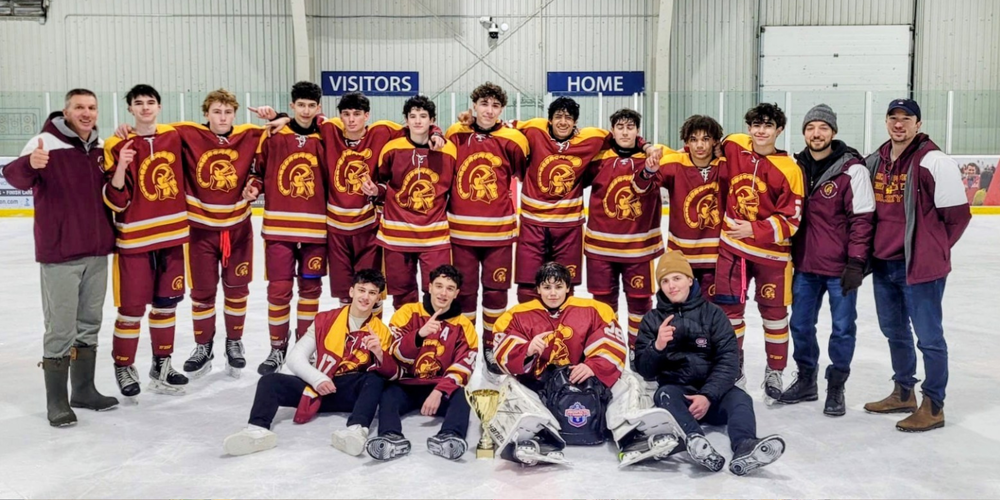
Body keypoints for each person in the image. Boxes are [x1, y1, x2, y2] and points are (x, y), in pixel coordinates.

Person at [116, 90, 283, 379]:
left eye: (228, 112)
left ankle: (234, 342)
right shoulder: (186, 132)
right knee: (202, 293)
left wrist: (279, 116)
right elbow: (150, 130)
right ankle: (203, 346)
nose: (222, 117)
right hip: (200, 231)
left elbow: (282, 132)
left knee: (237, 289)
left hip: (238, 228)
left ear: (234, 114)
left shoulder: (250, 134)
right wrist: (126, 129)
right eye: (217, 112)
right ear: (206, 114)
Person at [2, 89, 119, 427]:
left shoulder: (100, 148)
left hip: (97, 252)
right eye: (79, 107)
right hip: (61, 253)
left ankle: (84, 390)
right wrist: (29, 163)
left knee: (89, 324)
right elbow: (14, 177)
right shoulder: (44, 143)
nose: (87, 113)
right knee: (60, 328)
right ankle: (57, 402)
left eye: (92, 107)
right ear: (65, 112)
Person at [490, 262, 679, 467]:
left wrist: (593, 366)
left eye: (558, 286)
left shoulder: (594, 309)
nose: (553, 293)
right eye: (547, 287)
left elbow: (611, 342)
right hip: (541, 384)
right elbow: (502, 352)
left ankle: (630, 434)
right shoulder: (516, 315)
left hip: (585, 382)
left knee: (627, 379)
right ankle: (538, 435)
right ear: (537, 289)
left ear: (568, 288)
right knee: (508, 383)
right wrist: (526, 349)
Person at [863, 98, 971, 432]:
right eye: (892, 118)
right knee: (894, 331)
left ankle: (934, 405)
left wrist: (931, 250)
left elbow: (957, 217)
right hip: (883, 264)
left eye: (906, 118)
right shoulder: (876, 161)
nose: (899, 124)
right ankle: (903, 392)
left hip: (918, 268)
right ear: (886, 122)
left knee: (929, 337)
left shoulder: (933, 162)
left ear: (918, 124)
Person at [635, 251, 786, 475]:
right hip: (679, 394)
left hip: (713, 393)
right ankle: (697, 443)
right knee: (664, 395)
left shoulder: (714, 315)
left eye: (677, 278)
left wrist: (708, 395)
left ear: (690, 280)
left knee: (740, 397)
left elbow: (728, 361)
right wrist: (656, 347)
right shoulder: (652, 320)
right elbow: (643, 369)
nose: (671, 286)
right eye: (665, 281)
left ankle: (745, 445)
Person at [222, 269, 397, 456]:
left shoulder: (381, 331)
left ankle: (356, 430)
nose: (365, 297)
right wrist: (318, 379)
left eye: (372, 293)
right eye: (361, 290)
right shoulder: (325, 319)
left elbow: (392, 373)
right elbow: (295, 357)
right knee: (269, 381)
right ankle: (256, 430)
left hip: (351, 393)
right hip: (319, 387)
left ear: (378, 298)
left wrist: (379, 352)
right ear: (351, 291)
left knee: (375, 378)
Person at [512, 98, 661, 303]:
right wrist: (468, 121)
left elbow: (624, 137)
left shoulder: (592, 137)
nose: (563, 122)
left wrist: (647, 147)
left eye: (568, 118)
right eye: (558, 117)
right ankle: (530, 330)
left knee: (566, 284)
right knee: (527, 286)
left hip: (569, 227)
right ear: (549, 120)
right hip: (532, 224)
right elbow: (504, 129)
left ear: (575, 122)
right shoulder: (535, 128)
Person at [777, 104, 874, 416]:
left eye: (822, 128)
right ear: (804, 132)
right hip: (805, 265)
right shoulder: (795, 167)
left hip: (839, 269)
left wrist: (857, 262)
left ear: (833, 132)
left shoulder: (852, 170)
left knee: (843, 327)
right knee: (801, 325)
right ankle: (806, 379)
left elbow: (862, 220)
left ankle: (836, 385)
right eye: (810, 128)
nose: (816, 134)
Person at [319, 92, 445, 314]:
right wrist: (280, 117)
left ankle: (373, 340)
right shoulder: (330, 130)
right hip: (336, 229)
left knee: (370, 289)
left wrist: (436, 131)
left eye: (357, 114)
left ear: (367, 115)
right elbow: (306, 120)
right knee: (345, 292)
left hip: (369, 228)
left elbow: (416, 130)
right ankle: (349, 340)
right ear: (339, 116)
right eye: (346, 114)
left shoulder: (382, 131)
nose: (351, 119)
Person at [103, 84, 190, 400]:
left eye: (150, 102)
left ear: (159, 106)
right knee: (131, 309)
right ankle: (123, 365)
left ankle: (162, 364)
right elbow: (115, 199)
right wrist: (123, 164)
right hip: (134, 240)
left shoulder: (175, 135)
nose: (144, 108)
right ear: (129, 108)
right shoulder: (116, 143)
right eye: (138, 103)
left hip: (172, 237)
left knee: (166, 306)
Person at [714, 103, 804, 401]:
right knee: (729, 314)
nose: (760, 131)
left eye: (767, 126)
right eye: (755, 125)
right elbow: (713, 143)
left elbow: (792, 218)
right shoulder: (735, 144)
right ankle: (733, 369)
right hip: (732, 251)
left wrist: (754, 229)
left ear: (779, 130)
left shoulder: (789, 169)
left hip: (772, 257)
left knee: (775, 316)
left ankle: (775, 370)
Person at [444, 82, 529, 381]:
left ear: (502, 110)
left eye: (495, 106)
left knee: (496, 293)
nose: (489, 110)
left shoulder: (513, 139)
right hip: (461, 232)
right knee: (464, 293)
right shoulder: (456, 133)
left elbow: (526, 171)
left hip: (499, 234)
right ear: (474, 106)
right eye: (483, 104)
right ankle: (465, 344)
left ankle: (491, 344)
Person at [243, 81, 328, 375]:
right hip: (279, 228)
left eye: (311, 105)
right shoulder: (274, 134)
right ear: (292, 106)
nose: (305, 110)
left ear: (319, 107)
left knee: (310, 291)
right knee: (278, 291)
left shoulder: (326, 134)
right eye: (300, 105)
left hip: (317, 230)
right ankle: (277, 348)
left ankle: (303, 349)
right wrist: (253, 188)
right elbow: (258, 171)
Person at [583, 108, 670, 365]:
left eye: (630, 127)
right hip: (601, 247)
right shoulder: (599, 157)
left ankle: (638, 348)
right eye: (619, 127)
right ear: (612, 130)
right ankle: (609, 349)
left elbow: (644, 186)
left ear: (637, 131)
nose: (624, 132)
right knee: (603, 303)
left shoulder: (653, 158)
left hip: (637, 248)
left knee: (640, 303)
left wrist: (647, 150)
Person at [365, 265, 477, 461]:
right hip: (406, 385)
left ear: (456, 293)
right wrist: (418, 335)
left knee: (462, 396)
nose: (443, 293)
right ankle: (390, 436)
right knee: (388, 394)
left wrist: (439, 391)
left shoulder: (464, 326)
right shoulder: (407, 313)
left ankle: (450, 436)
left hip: (438, 388)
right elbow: (394, 353)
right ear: (429, 287)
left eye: (450, 288)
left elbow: (464, 365)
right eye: (439, 286)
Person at [362, 95, 457, 309]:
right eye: (412, 116)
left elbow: (453, 189)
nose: (417, 121)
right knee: (402, 295)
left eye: (423, 116)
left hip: (434, 237)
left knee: (437, 294)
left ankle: (431, 340)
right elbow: (385, 183)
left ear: (432, 120)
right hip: (397, 235)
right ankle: (404, 339)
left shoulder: (449, 150)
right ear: (405, 119)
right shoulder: (392, 148)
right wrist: (375, 190)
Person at [633, 115, 725, 301]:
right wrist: (649, 170)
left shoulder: (725, 165)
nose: (699, 145)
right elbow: (639, 189)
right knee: (680, 311)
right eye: (693, 139)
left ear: (715, 141)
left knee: (711, 312)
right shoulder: (674, 164)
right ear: (686, 142)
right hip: (681, 257)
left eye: (706, 139)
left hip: (717, 257)